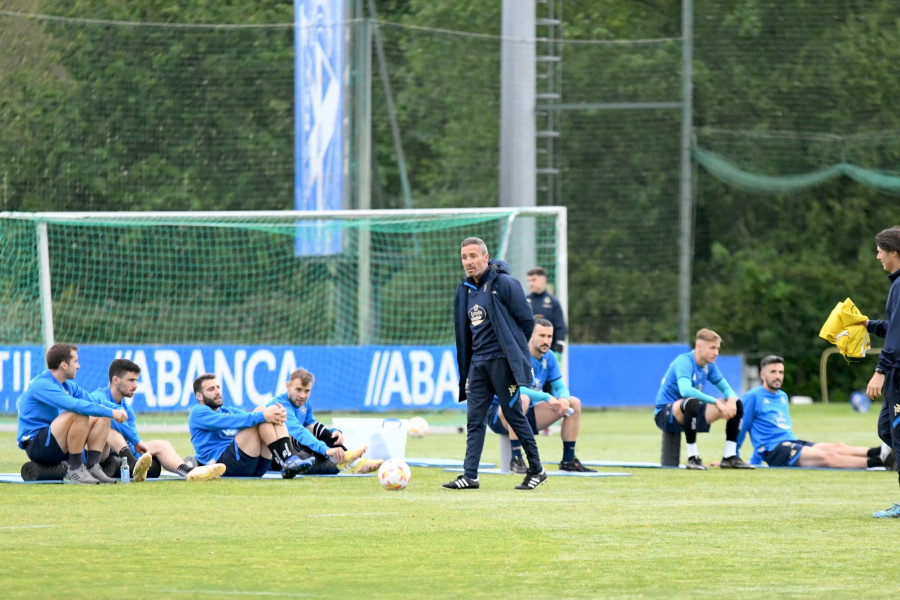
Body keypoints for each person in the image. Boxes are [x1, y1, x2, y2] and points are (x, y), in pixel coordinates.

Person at [443, 237, 547, 490]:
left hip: (502, 364)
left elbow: (526, 322)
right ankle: (470, 475)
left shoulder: (505, 284)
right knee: (474, 419)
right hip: (478, 366)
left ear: (485, 257)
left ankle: (537, 469)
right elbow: (463, 331)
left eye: (473, 256)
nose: (469, 262)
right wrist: (467, 368)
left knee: (514, 415)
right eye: (464, 257)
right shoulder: (464, 290)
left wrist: (512, 352)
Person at [737, 355, 890, 469]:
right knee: (828, 458)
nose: (778, 376)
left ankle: (883, 451)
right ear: (762, 375)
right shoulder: (753, 396)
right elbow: (742, 428)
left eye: (780, 372)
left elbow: (781, 428)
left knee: (837, 447)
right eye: (773, 372)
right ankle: (881, 462)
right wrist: (735, 457)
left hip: (791, 442)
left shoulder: (782, 396)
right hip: (776, 451)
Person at [487, 318, 596, 473]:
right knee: (522, 400)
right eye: (542, 336)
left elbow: (560, 386)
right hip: (499, 415)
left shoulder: (549, 357)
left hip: (527, 415)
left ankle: (568, 461)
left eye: (549, 337)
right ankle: (516, 460)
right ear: (530, 336)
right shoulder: (517, 354)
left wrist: (563, 398)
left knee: (574, 403)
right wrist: (546, 397)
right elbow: (515, 390)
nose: (546, 340)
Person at [95, 358, 225, 482]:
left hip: (120, 455)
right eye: (131, 380)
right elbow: (107, 419)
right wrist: (136, 441)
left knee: (162, 445)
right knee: (107, 422)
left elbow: (131, 443)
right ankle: (133, 464)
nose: (135, 385)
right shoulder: (98, 397)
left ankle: (190, 471)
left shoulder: (128, 410)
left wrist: (142, 452)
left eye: (136, 381)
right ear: (116, 380)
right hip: (96, 454)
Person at [16, 343, 128, 484]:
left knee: (103, 416)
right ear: (64, 364)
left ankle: (93, 467)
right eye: (75, 361)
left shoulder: (67, 385)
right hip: (36, 445)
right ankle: (75, 469)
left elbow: (93, 400)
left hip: (53, 439)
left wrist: (115, 408)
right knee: (78, 413)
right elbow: (75, 405)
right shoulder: (42, 385)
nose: (78, 366)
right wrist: (112, 412)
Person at [654, 328, 754, 470]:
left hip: (690, 413)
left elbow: (727, 389)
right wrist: (715, 402)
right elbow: (685, 390)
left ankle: (729, 457)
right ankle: (693, 458)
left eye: (718, 348)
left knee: (736, 404)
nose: (716, 353)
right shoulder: (684, 361)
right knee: (691, 401)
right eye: (712, 348)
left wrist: (731, 399)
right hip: (666, 414)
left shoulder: (709, 366)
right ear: (699, 347)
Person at [188, 373, 303, 478]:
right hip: (222, 465)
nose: (217, 391)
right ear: (199, 396)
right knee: (262, 413)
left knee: (267, 413)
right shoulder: (198, 412)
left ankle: (288, 458)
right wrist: (266, 414)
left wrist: (276, 413)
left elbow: (255, 417)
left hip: (252, 464)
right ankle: (283, 461)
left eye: (218, 387)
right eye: (211, 389)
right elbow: (228, 421)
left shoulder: (228, 410)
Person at [266, 368, 377, 474]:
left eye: (307, 391)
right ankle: (351, 461)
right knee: (320, 464)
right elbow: (299, 432)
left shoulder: (305, 402)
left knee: (316, 429)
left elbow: (312, 427)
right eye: (298, 389)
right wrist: (325, 450)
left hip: (294, 450)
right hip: (276, 458)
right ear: (288, 386)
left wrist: (333, 432)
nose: (302, 395)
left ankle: (355, 462)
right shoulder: (279, 405)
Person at [864, 226, 900, 518]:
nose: (877, 256)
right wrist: (868, 324)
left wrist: (880, 371)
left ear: (893, 252)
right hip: (896, 376)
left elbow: (897, 337)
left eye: (879, 251)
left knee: (896, 434)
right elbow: (893, 330)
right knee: (886, 429)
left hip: (898, 376)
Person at [525, 266, 567, 360]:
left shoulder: (553, 302)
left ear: (543, 280)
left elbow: (560, 326)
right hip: (527, 353)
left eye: (533, 280)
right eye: (529, 281)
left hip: (548, 352)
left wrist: (559, 349)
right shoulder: (524, 301)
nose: (530, 284)